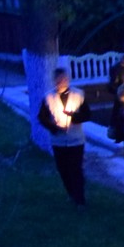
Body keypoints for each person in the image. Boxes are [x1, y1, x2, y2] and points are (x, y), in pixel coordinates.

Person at [35, 67, 92, 208]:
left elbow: (87, 115)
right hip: (58, 142)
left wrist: (74, 117)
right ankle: (71, 193)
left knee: (76, 169)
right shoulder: (48, 97)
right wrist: (54, 126)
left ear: (68, 79)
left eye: (64, 79)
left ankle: (80, 199)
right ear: (54, 81)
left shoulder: (78, 94)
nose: (61, 82)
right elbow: (41, 118)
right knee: (63, 169)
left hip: (76, 140)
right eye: (58, 80)